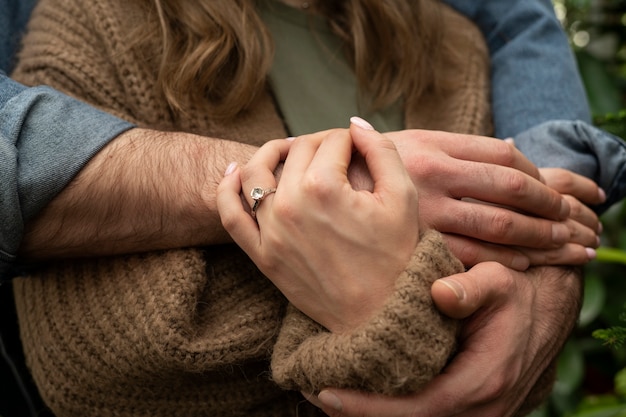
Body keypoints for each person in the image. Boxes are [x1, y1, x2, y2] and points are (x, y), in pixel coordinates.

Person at [1, 0, 624, 416]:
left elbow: (525, 274)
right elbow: (105, 364)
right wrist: (422, 296)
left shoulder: (452, 44)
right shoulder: (94, 23)